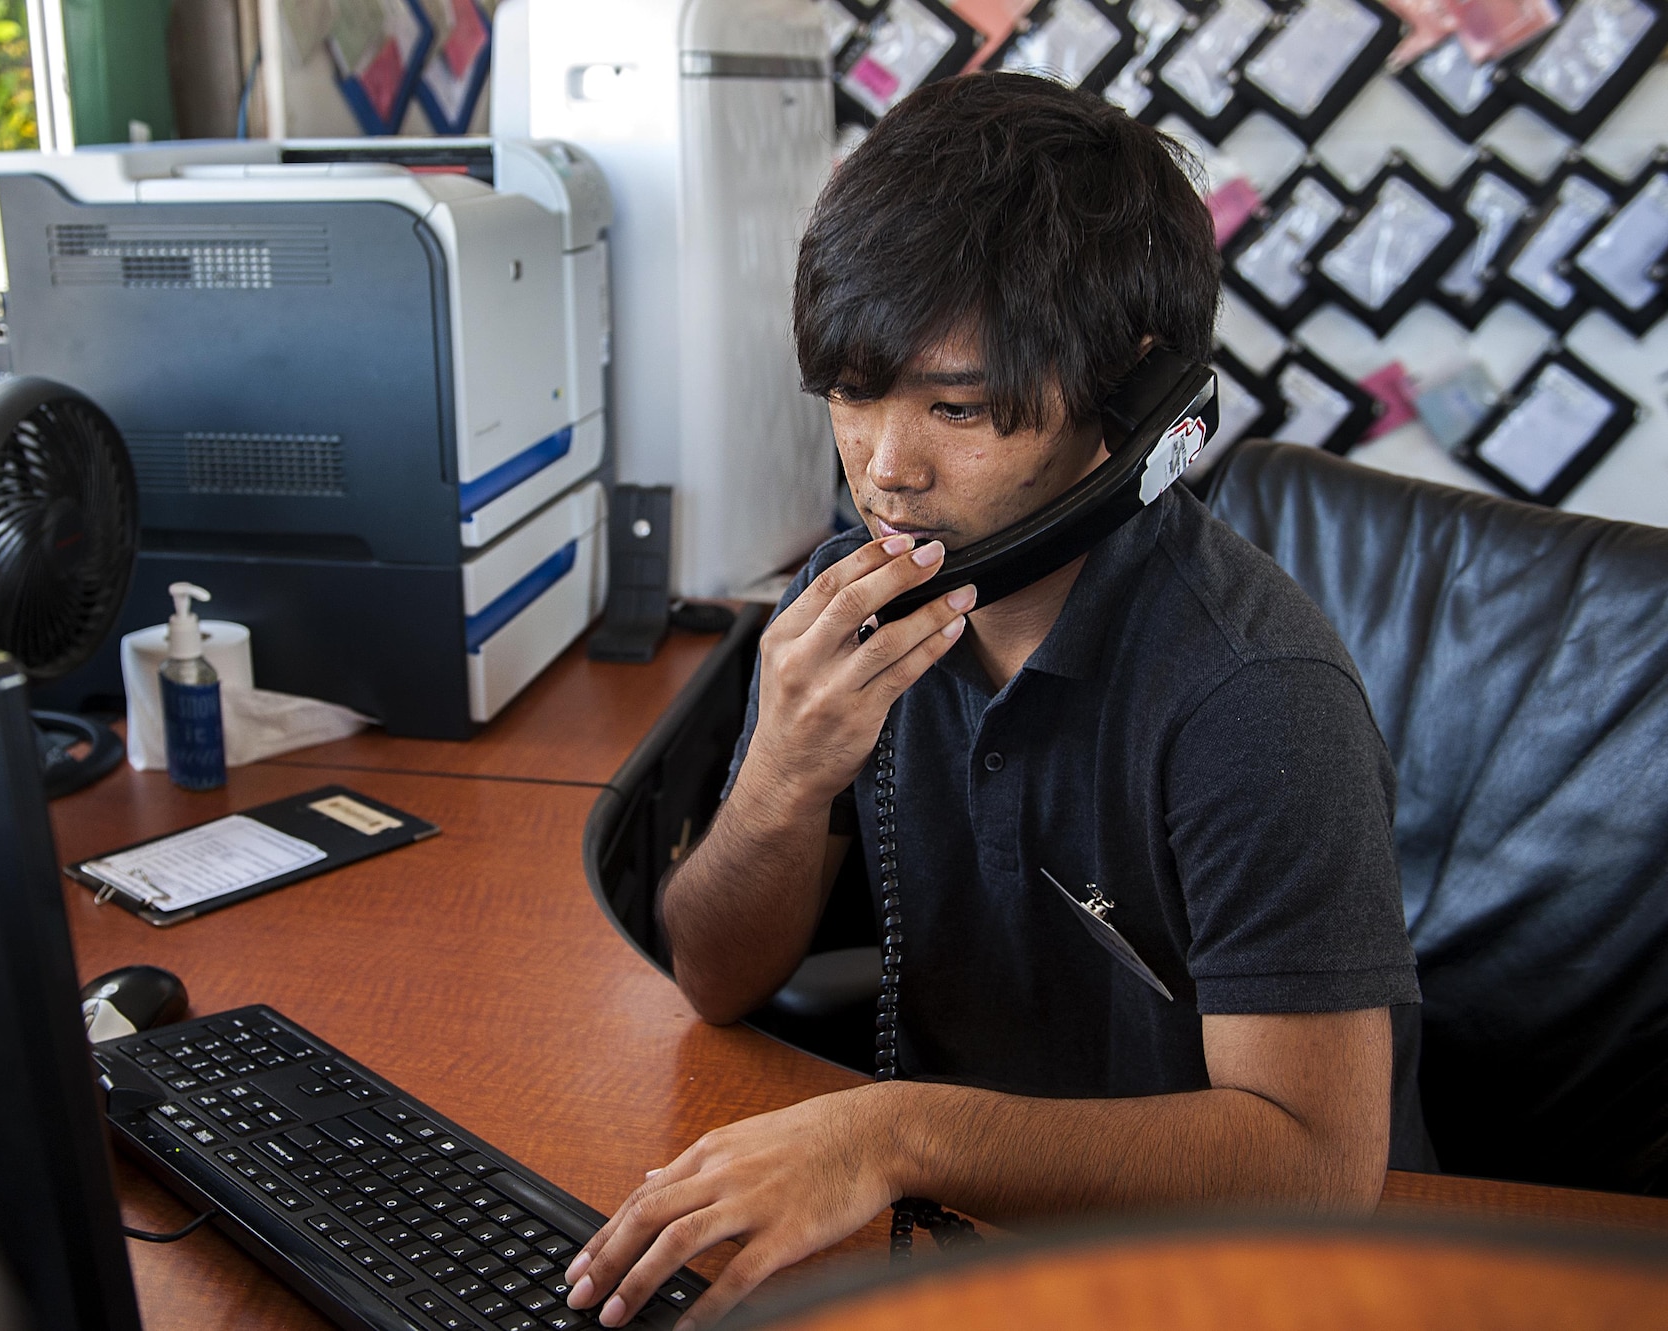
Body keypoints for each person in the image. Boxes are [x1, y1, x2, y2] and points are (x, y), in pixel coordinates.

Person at [561, 73, 1433, 1330]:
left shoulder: (1251, 693)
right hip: (966, 1242)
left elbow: (1313, 1166)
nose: (884, 468)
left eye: (955, 408)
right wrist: (780, 777)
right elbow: (712, 978)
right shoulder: (852, 597)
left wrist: (894, 1132)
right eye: (852, 396)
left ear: (1132, 400)